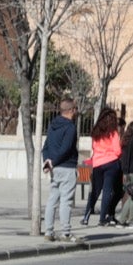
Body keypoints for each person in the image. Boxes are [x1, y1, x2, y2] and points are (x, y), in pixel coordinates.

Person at [41, 96, 81, 242]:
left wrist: (47, 162)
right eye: (75, 109)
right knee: (66, 201)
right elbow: (66, 148)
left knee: (52, 199)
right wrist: (54, 162)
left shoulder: (52, 125)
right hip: (67, 167)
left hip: (54, 168)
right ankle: (66, 232)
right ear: (70, 110)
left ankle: (48, 231)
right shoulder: (70, 127)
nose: (76, 112)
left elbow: (45, 147)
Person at [82, 107, 123, 227]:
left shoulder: (96, 132)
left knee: (95, 190)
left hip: (97, 163)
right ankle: (102, 218)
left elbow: (94, 147)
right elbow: (117, 150)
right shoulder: (113, 133)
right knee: (107, 190)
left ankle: (86, 217)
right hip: (111, 163)